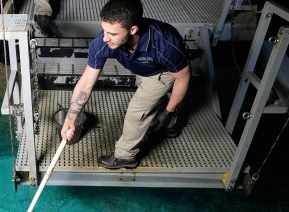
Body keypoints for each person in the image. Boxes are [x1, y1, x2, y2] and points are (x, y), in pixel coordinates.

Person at [59, 0, 191, 169]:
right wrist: (71, 117)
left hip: (163, 71)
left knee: (136, 111)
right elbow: (85, 83)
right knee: (148, 98)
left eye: (112, 34)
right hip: (142, 68)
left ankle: (125, 157)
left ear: (133, 30)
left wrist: (169, 111)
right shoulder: (103, 42)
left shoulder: (165, 45)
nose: (105, 38)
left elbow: (183, 78)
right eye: (104, 30)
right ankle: (170, 125)